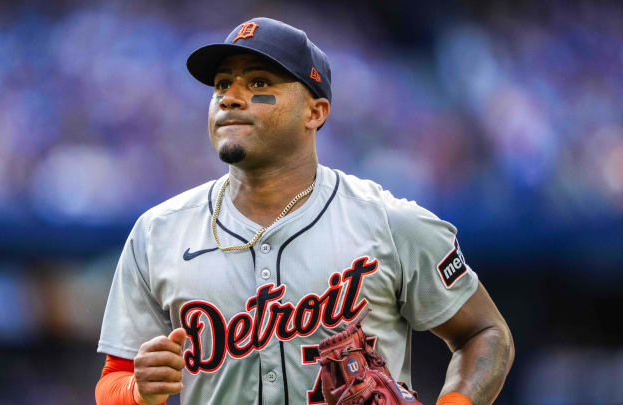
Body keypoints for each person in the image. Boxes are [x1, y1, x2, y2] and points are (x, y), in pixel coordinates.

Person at [94, 17, 514, 405]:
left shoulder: (390, 222)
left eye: (258, 82)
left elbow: (486, 333)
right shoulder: (158, 232)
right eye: (222, 85)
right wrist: (136, 390)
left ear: (315, 112)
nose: (230, 99)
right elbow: (113, 379)